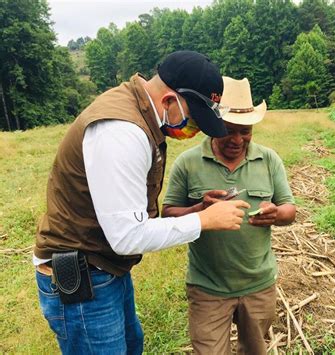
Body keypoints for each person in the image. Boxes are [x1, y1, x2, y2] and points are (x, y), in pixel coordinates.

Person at [33, 51, 250, 354]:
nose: (195, 129)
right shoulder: (122, 131)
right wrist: (205, 221)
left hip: (104, 269)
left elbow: (128, 216)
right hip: (85, 281)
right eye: (196, 118)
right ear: (169, 101)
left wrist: (198, 209)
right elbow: (127, 236)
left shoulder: (140, 115)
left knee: (132, 345)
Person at [162, 76, 297, 354]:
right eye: (228, 130)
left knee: (254, 350)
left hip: (258, 284)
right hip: (207, 287)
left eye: (245, 131)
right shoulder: (187, 164)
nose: (238, 140)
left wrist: (275, 214)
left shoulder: (269, 160)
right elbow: (167, 215)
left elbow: (290, 210)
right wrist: (200, 209)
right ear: (212, 126)